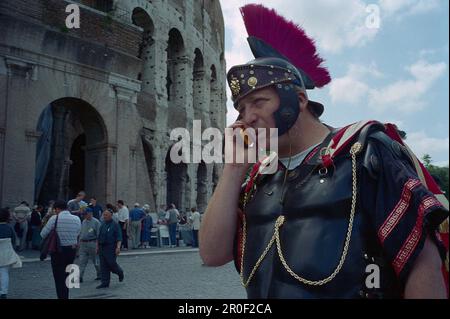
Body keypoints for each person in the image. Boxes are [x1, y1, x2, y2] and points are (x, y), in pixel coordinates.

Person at [200, 4, 449, 299]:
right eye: (240, 108)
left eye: (259, 102)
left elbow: (422, 262)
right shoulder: (258, 178)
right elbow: (212, 255)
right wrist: (232, 170)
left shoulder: (363, 150)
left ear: (300, 99)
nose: (246, 117)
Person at [41, 200, 81, 299]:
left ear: (57, 209)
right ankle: (66, 295)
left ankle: (62, 297)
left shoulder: (54, 218)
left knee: (58, 277)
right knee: (67, 274)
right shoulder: (76, 219)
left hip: (58, 250)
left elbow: (42, 234)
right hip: (71, 250)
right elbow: (78, 233)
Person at [96, 208, 124, 289]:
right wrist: (97, 247)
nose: (104, 216)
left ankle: (120, 272)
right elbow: (99, 236)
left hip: (111, 248)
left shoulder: (115, 225)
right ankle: (105, 282)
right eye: (104, 215)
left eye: (106, 215)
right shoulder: (102, 224)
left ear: (111, 216)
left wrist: (118, 248)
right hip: (102, 247)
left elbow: (119, 237)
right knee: (103, 265)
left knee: (111, 263)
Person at [0, 208, 22, 299]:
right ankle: (3, 292)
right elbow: (14, 240)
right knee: (4, 272)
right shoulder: (9, 228)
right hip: (5, 254)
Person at [78, 209, 101, 283]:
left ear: (90, 213)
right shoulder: (83, 221)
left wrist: (97, 245)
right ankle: (80, 276)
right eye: (84, 214)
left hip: (92, 243)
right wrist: (79, 242)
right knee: (81, 261)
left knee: (96, 261)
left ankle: (100, 274)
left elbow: (99, 235)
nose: (84, 216)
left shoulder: (96, 222)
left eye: (85, 214)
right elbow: (81, 233)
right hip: (83, 244)